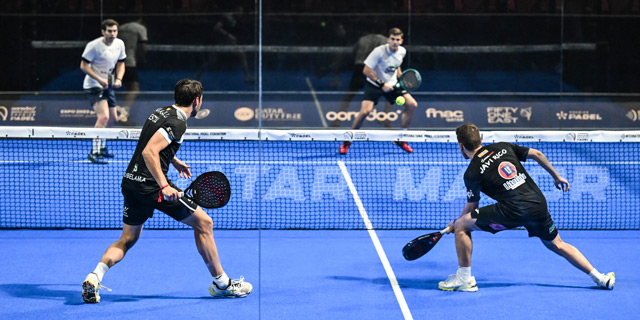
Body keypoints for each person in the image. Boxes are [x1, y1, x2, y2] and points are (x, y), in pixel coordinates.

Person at [81, 79, 253, 303]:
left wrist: (173, 160)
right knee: (204, 223)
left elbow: (152, 145)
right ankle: (222, 283)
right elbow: (149, 152)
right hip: (152, 186)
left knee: (128, 239)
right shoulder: (179, 123)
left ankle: (95, 277)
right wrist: (164, 185)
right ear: (197, 101)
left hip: (131, 182)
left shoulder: (160, 112)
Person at [439, 123, 615, 292]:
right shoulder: (503, 146)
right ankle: (600, 278)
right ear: (481, 138)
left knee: (462, 225)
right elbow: (537, 154)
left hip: (513, 211)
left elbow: (472, 206)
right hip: (537, 204)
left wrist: (456, 224)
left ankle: (464, 279)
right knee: (558, 245)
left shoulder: (471, 173)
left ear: (461, 146)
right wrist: (557, 176)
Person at [339, 28, 418, 154]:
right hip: (375, 84)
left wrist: (400, 78)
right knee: (365, 111)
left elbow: (397, 66)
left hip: (392, 84)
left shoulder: (402, 51)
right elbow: (366, 70)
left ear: (401, 41)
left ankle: (401, 138)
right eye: (392, 39)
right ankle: (347, 141)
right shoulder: (379, 52)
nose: (395, 42)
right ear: (388, 39)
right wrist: (381, 84)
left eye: (397, 40)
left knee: (412, 105)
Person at [80, 19, 126, 164]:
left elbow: (121, 63)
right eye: (109, 31)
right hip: (93, 84)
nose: (112, 34)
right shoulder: (93, 46)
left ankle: (102, 147)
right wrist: (99, 79)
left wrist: (119, 78)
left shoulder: (120, 44)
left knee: (113, 119)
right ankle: (94, 152)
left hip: (108, 85)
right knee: (104, 117)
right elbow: (83, 65)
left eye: (115, 31)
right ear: (103, 32)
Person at [330, 33, 388, 128]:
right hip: (374, 70)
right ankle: (386, 120)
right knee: (389, 92)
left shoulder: (362, 39)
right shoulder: (385, 40)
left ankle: (338, 120)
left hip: (360, 67)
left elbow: (353, 54)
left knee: (350, 94)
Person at [118, 17, 148, 125]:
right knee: (135, 88)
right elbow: (143, 46)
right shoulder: (140, 28)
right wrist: (143, 60)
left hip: (115, 64)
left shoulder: (120, 28)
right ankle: (123, 113)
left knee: (127, 87)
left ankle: (122, 115)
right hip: (129, 63)